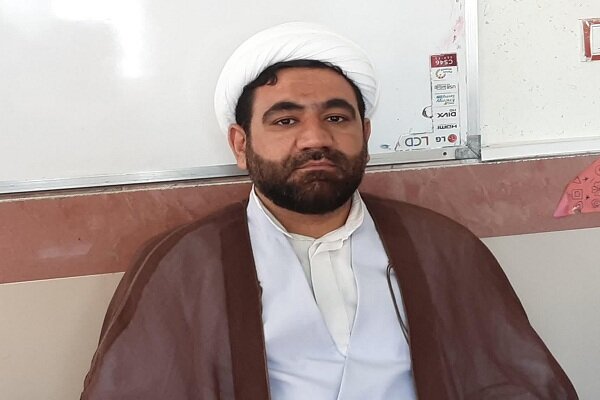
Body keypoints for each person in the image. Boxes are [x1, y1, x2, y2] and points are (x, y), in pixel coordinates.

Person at [81, 22, 578, 399]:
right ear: (241, 143)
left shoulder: (440, 246)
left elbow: (515, 381)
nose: (315, 138)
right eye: (285, 121)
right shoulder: (183, 264)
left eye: (337, 117)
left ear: (365, 133)